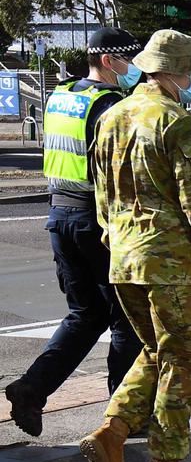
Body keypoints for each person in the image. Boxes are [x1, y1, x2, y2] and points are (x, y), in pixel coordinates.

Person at [78, 29, 191, 462]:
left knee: (155, 352)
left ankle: (112, 430)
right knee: (184, 359)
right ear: (174, 72)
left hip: (124, 258)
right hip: (170, 264)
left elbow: (102, 197)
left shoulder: (113, 116)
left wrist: (118, 244)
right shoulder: (177, 122)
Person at [4, 28, 145, 437]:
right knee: (126, 320)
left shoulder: (61, 95)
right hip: (97, 222)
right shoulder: (110, 105)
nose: (134, 68)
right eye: (129, 60)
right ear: (108, 61)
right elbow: (120, 171)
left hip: (60, 216)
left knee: (86, 314)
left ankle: (31, 388)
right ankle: (124, 416)